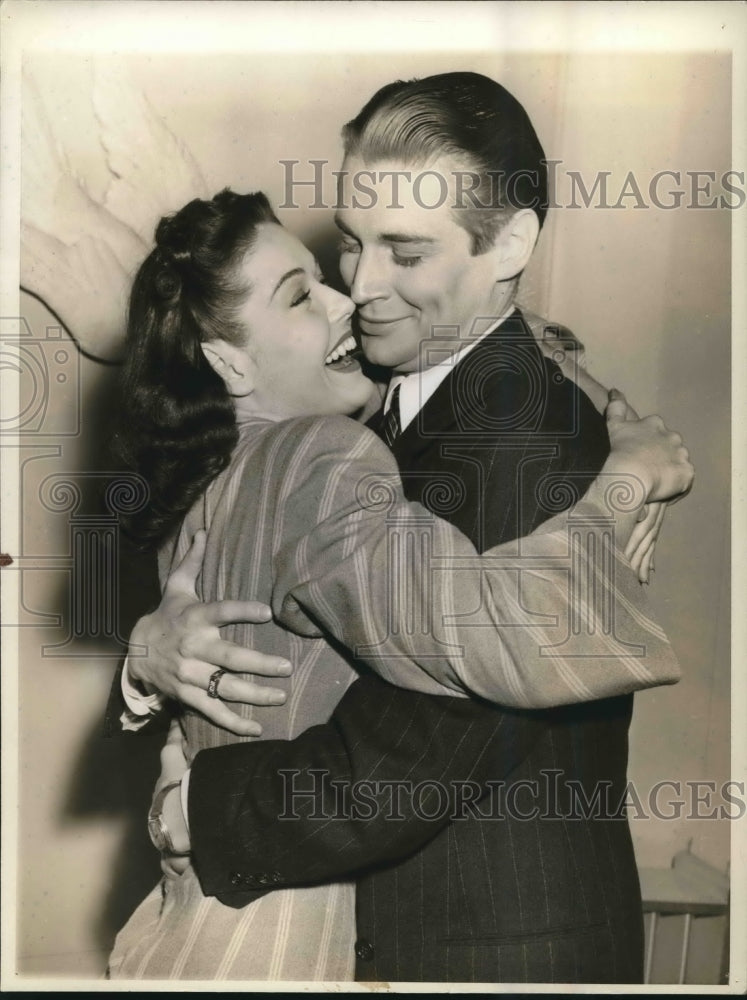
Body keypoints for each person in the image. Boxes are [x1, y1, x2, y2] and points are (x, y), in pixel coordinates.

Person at [115, 73, 693, 983]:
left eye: (406, 253)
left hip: (493, 956)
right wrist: (147, 659)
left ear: (509, 243)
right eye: (351, 242)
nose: (359, 288)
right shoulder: (371, 416)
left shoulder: (524, 431)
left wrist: (190, 810)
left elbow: (400, 760)